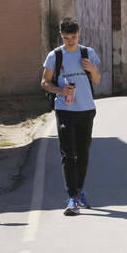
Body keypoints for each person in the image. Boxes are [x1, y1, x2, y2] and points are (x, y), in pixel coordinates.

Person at [41, 17, 102, 216]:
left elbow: (97, 79)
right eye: (66, 38)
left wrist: (92, 69)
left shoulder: (87, 53)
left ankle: (79, 191)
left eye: (73, 37)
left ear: (79, 33)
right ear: (61, 35)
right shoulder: (55, 56)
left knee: (83, 152)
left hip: (86, 109)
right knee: (68, 154)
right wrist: (60, 90)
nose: (70, 41)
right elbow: (45, 82)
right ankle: (71, 198)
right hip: (65, 110)